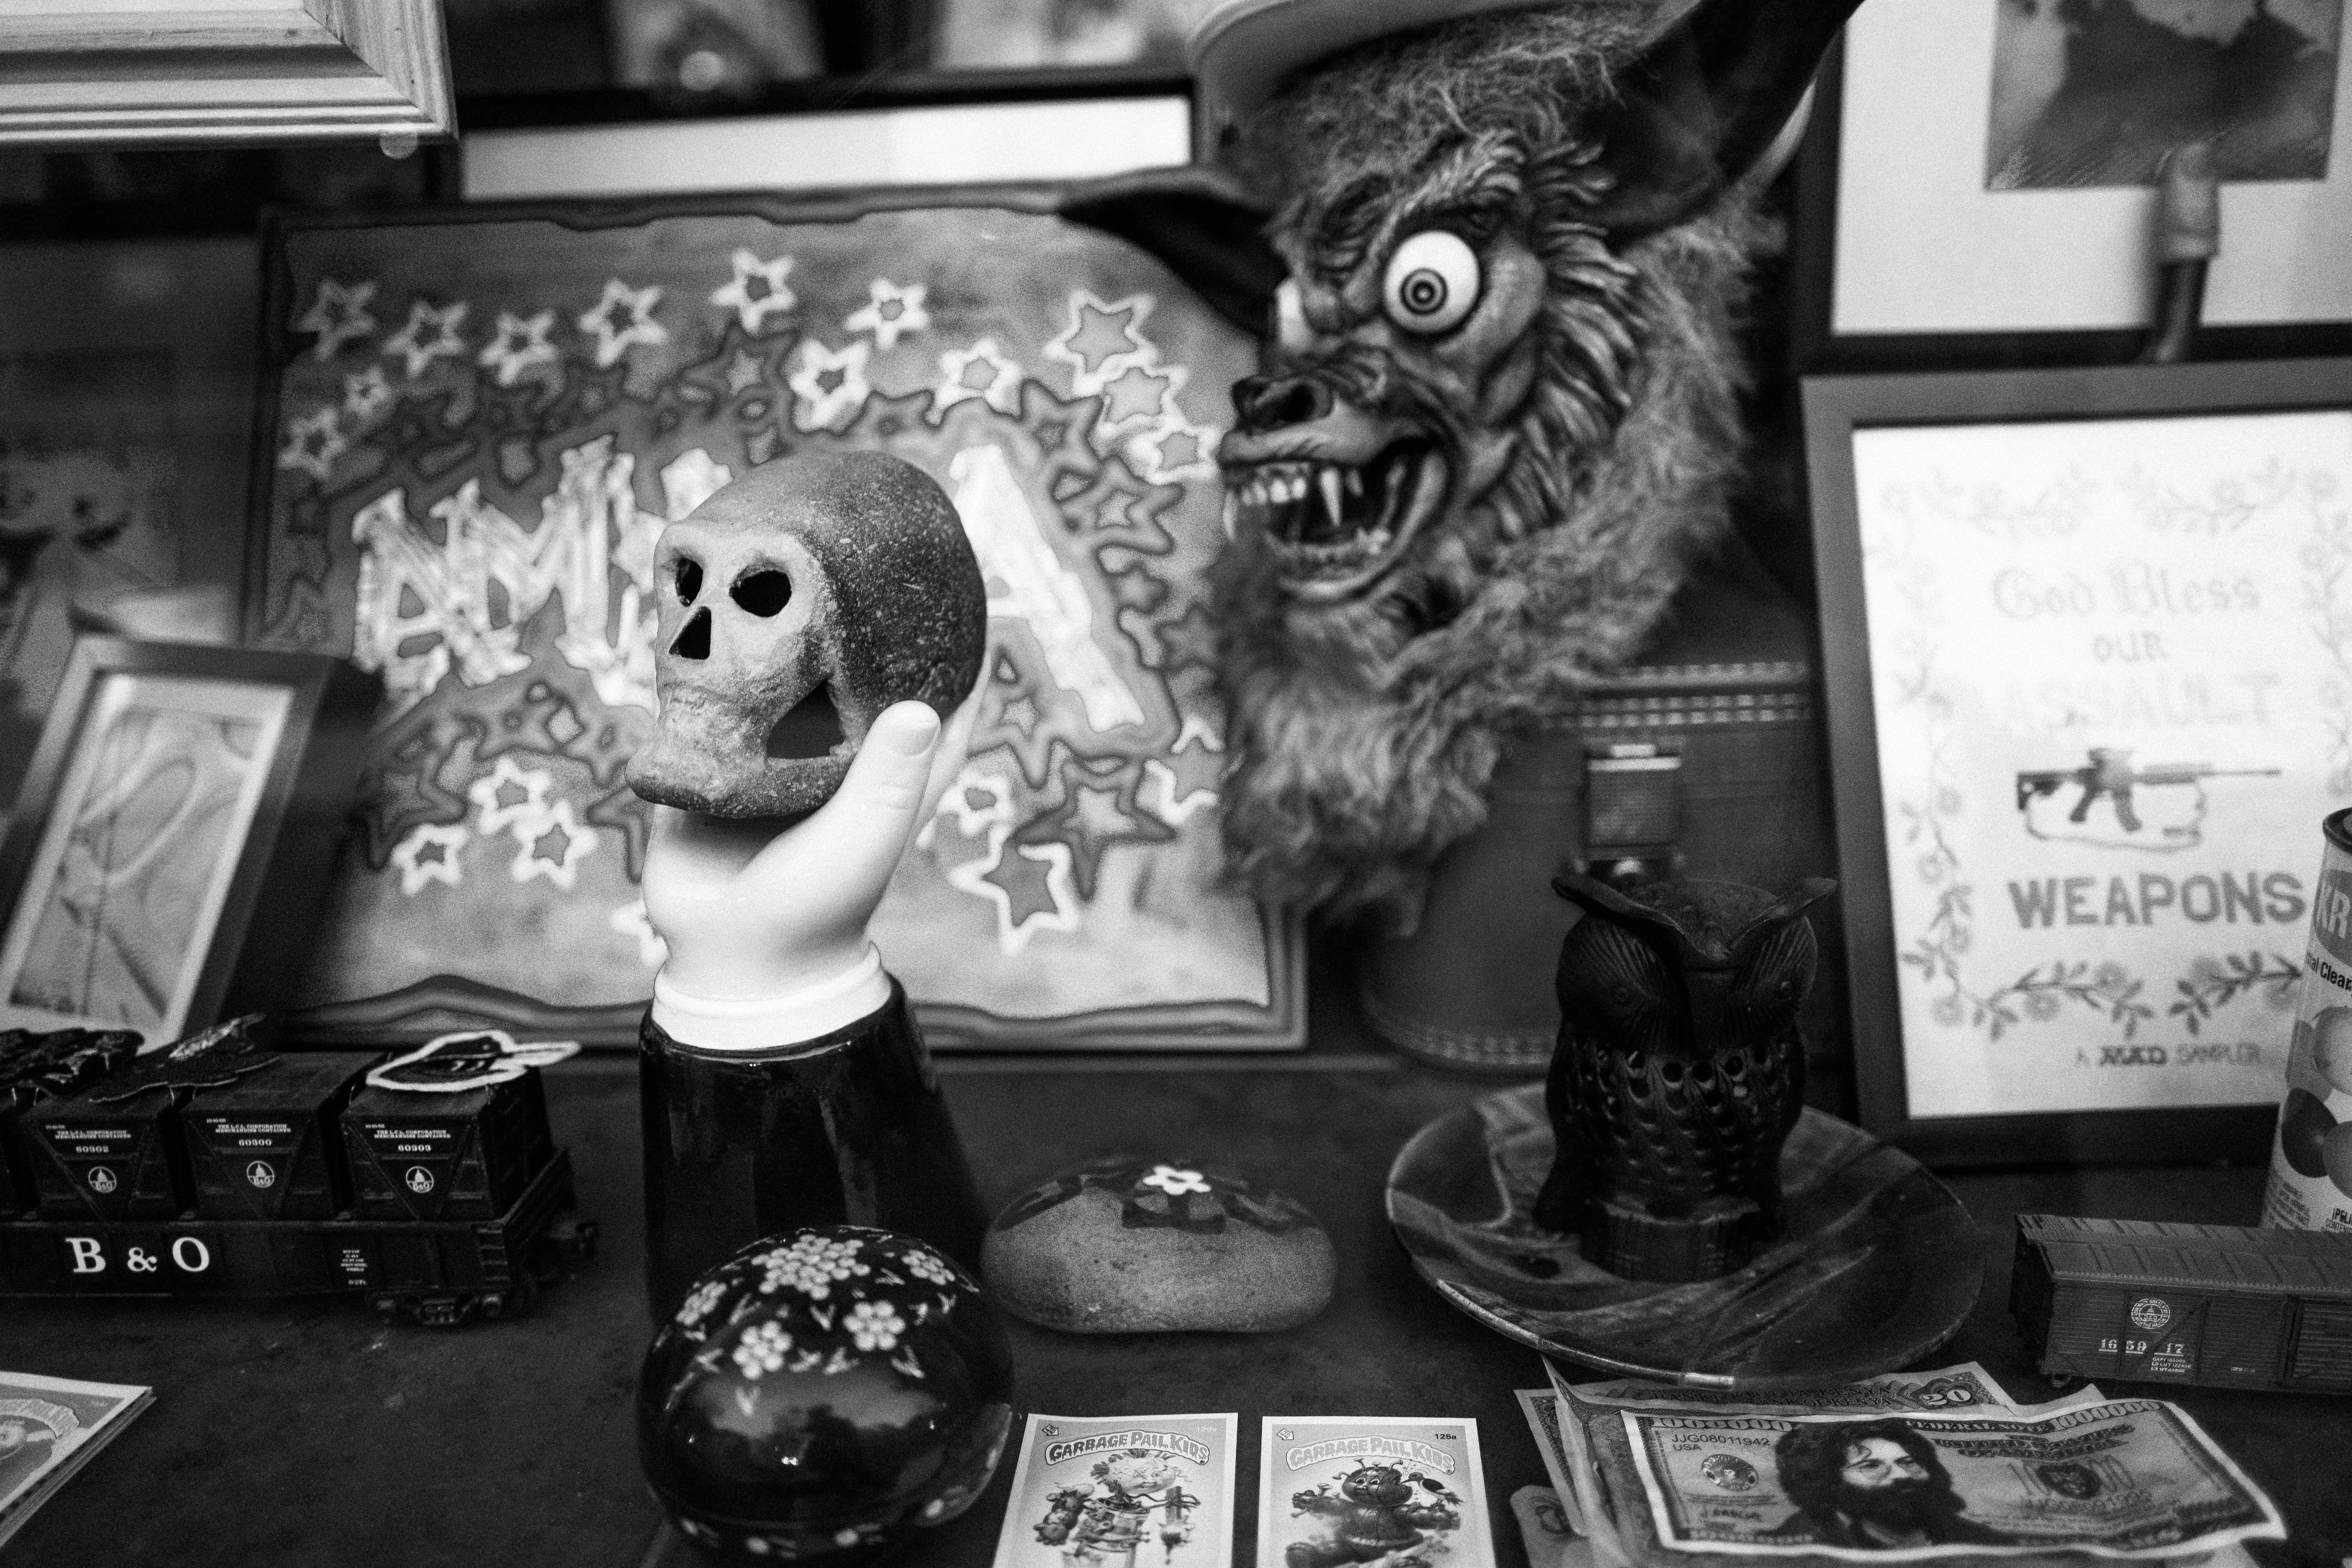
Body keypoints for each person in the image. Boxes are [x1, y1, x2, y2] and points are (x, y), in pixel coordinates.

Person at [1767, 1420, 2016, 1551]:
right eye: (1871, 1466)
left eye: (1908, 1462)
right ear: (1826, 1483)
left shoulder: (1985, 1541)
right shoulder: (1800, 1541)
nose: (1901, 1475)